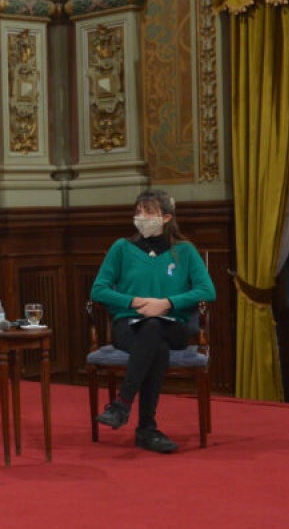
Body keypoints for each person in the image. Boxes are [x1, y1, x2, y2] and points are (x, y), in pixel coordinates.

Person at [91, 189, 216, 453]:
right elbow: (98, 290)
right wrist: (135, 302)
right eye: (138, 211)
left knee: (156, 325)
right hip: (129, 326)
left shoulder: (184, 251)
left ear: (167, 217)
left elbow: (207, 290)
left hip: (174, 326)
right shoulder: (122, 248)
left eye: (148, 212)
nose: (141, 216)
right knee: (154, 341)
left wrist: (166, 303)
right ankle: (146, 429)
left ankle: (122, 404)